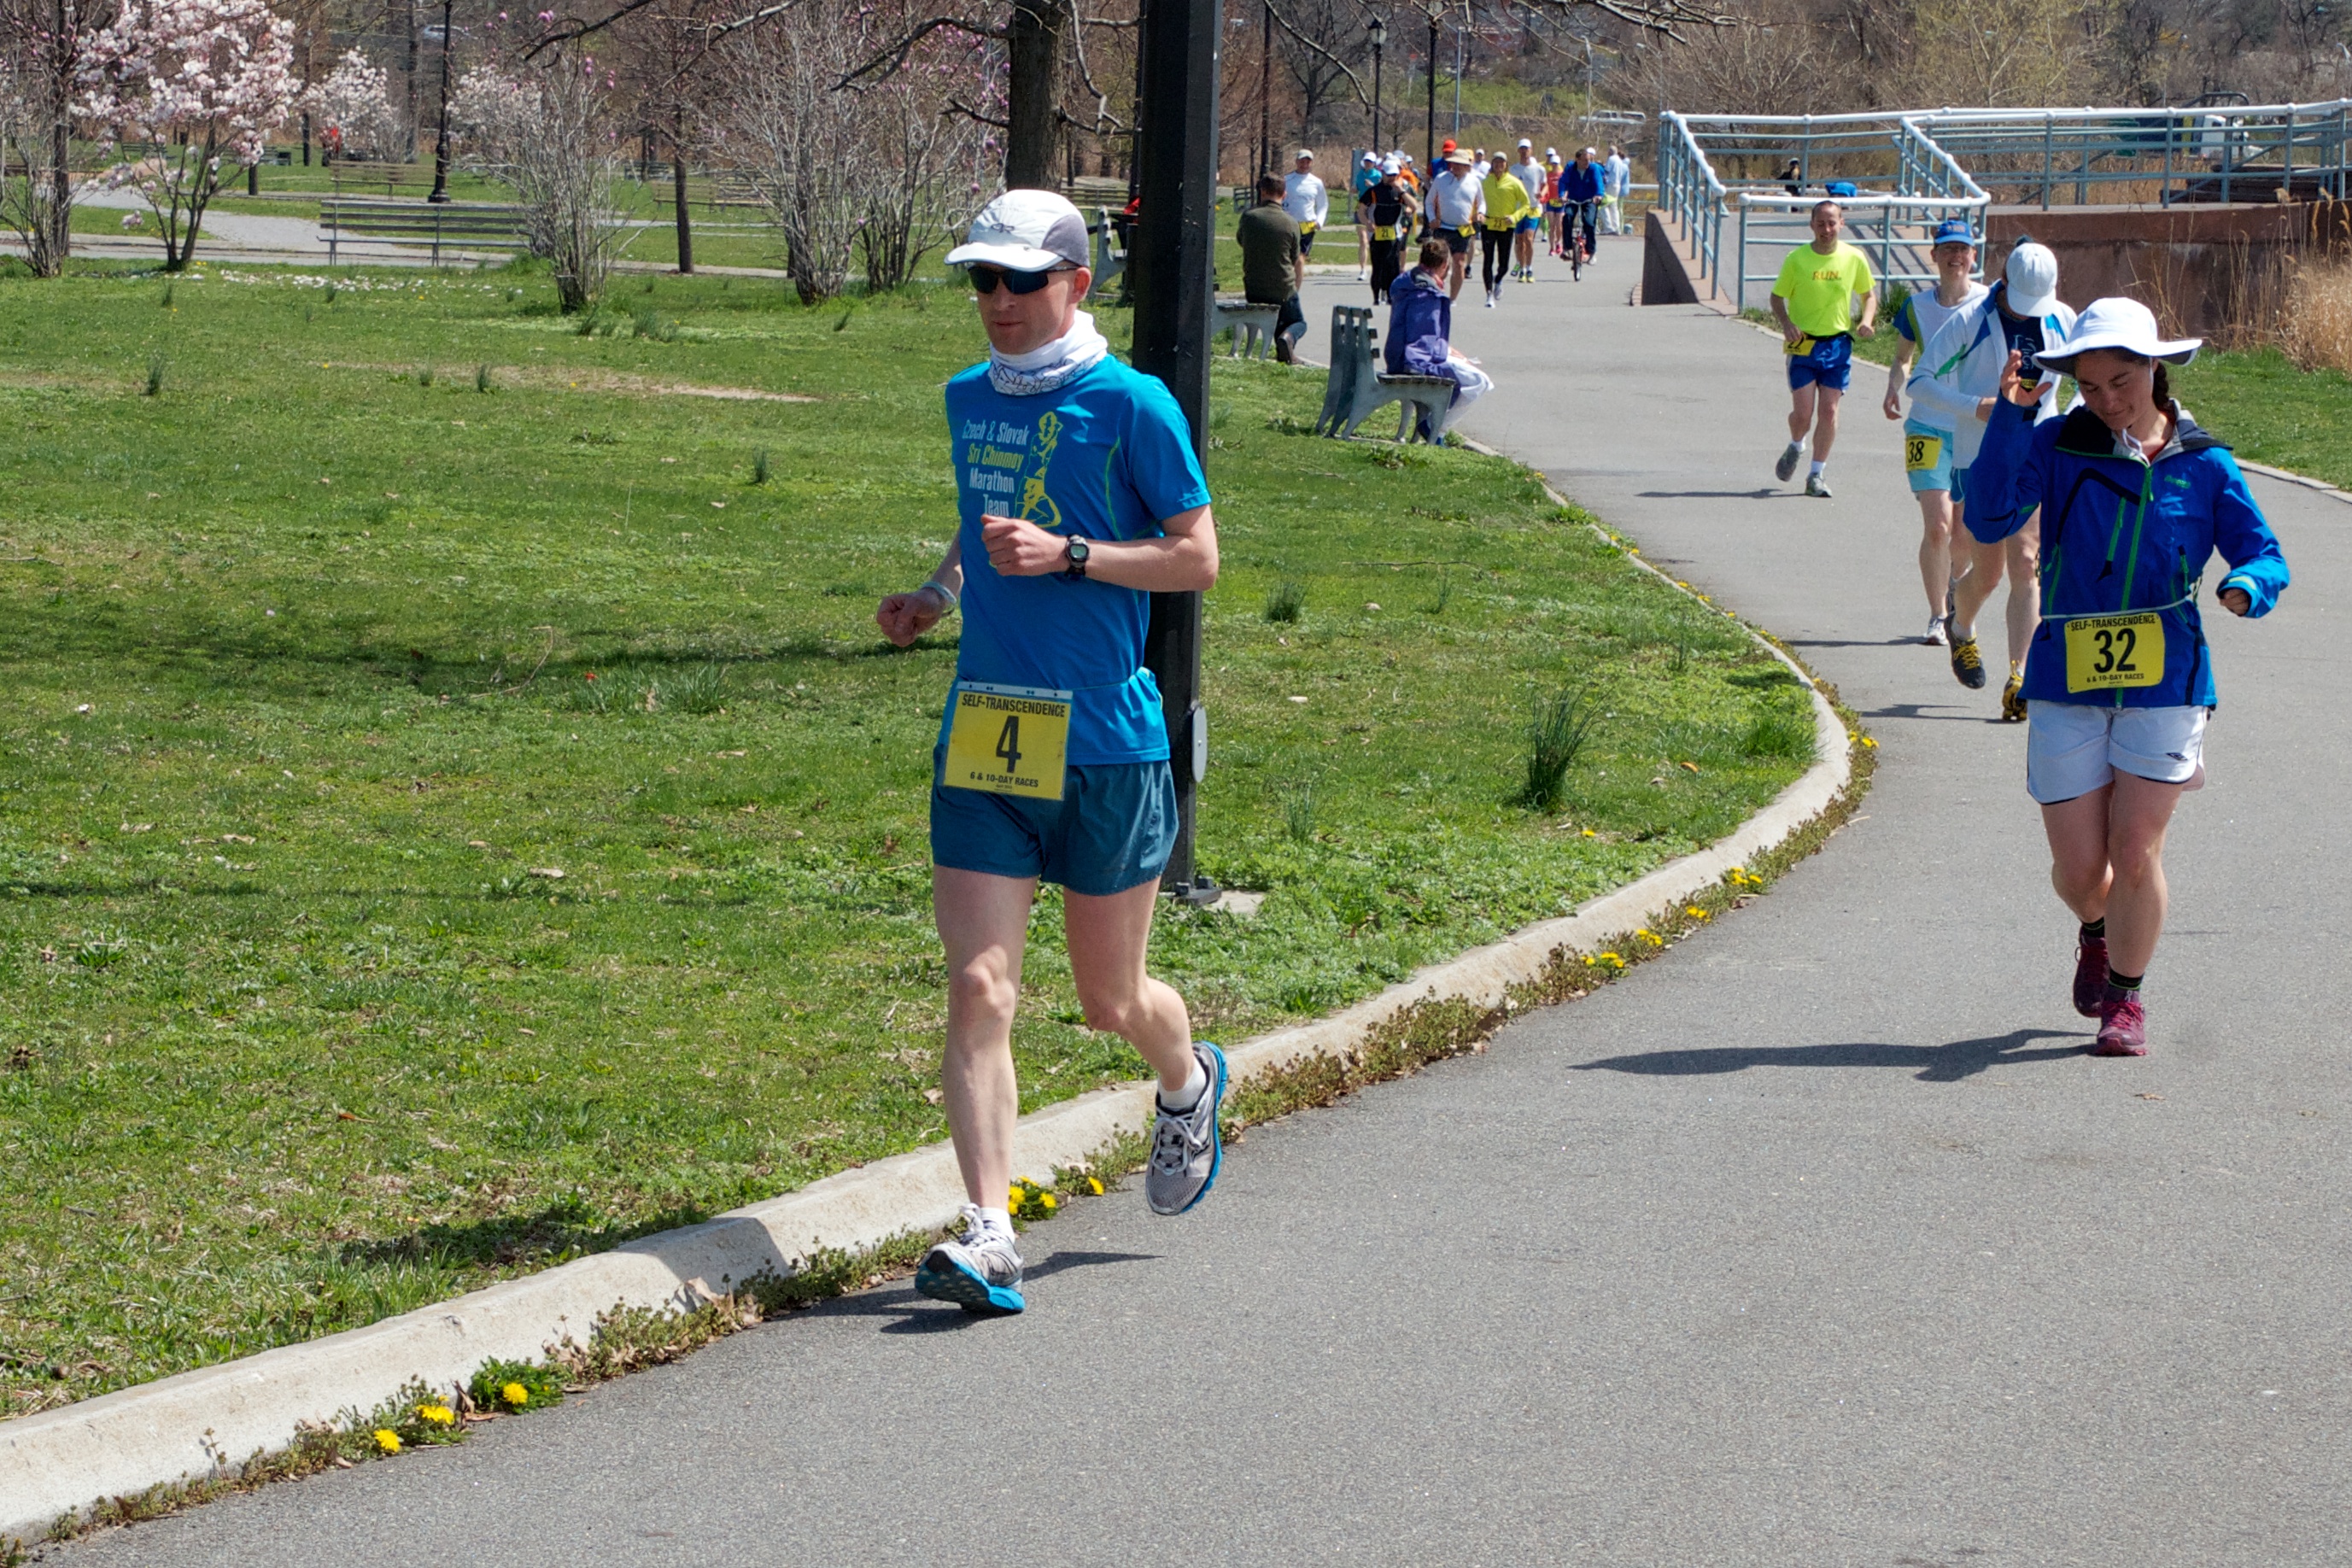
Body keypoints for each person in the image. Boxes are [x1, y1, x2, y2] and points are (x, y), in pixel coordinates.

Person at [875, 190, 1227, 1315]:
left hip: (1106, 740)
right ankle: (989, 1232)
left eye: (1022, 280)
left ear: (1077, 283)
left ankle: (1187, 1080)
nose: (998, 301)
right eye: (982, 279)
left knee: (1109, 1001)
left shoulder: (1134, 405)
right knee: (979, 986)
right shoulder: (967, 398)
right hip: (986, 728)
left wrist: (1071, 554)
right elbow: (987, 511)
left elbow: (1196, 559)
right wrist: (939, 592)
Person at [1961, 296, 2288, 1057]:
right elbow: (1988, 518)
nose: (2107, 400)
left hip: (2168, 681)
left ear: (2155, 371)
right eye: (2089, 385)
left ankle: (2127, 998)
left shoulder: (2205, 462)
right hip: (2068, 679)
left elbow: (2263, 552)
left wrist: (2249, 585)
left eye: (2121, 381)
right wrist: (2011, 416)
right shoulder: (2055, 445)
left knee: (2135, 848)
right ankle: (2096, 928)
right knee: (2081, 871)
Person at [1909, 241, 2077, 717]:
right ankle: (1960, 625)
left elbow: (2089, 378)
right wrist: (1976, 406)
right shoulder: (1970, 319)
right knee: (1988, 574)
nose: (2029, 312)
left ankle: (2020, 679)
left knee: (2025, 562)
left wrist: (2073, 419)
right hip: (1978, 457)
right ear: (2004, 280)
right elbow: (1919, 382)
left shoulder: (2063, 318)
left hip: (2035, 454)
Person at [1881, 218, 1989, 647]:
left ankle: (1957, 593)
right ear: (1935, 256)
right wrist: (1893, 386)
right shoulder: (1916, 307)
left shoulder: (1989, 303)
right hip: (1926, 425)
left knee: (1963, 534)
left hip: (1970, 427)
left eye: (1962, 250)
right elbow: (1902, 358)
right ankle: (1937, 615)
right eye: (1947, 250)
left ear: (1973, 256)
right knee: (1938, 527)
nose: (1955, 257)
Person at [1769, 199, 1877, 497]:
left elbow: (1869, 295)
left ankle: (1816, 474)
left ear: (1842, 223)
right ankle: (1796, 444)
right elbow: (1776, 298)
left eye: (1832, 223)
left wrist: (1866, 321)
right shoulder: (1797, 259)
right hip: (1803, 344)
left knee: (1829, 411)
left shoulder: (1854, 257)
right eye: (1820, 224)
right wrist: (1786, 324)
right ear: (1811, 225)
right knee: (1803, 415)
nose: (1826, 230)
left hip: (1838, 344)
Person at [1386, 233, 1495, 432]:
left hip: (1398, 354)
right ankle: (1435, 429)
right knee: (1479, 381)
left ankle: (1435, 426)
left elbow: (1423, 333)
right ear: (1445, 265)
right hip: (1413, 362)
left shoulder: (1407, 282)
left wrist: (1449, 350)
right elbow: (1420, 341)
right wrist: (1444, 353)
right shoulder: (1427, 295)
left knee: (1468, 371)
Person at [1237, 173, 1307, 362]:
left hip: (1254, 288)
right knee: (1298, 322)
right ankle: (1287, 339)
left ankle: (1284, 350)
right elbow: (1294, 257)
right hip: (1282, 288)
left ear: (1262, 192)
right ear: (1284, 194)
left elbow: (1241, 241)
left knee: (1279, 315)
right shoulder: (1291, 223)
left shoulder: (1249, 217)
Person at [1355, 155, 1419, 303]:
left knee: (1393, 266)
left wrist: (1401, 191)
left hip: (1394, 233)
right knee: (1378, 265)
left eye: (1394, 175)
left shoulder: (1400, 191)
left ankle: (1391, 295)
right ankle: (1376, 296)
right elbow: (1361, 211)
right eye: (1389, 175)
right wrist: (1367, 222)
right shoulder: (1373, 191)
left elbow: (1414, 206)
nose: (1391, 178)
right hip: (1377, 233)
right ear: (1383, 174)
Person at [1426, 147, 1484, 300]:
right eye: (1454, 163)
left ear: (1467, 166)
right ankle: (1437, 293)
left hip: (1463, 229)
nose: (1456, 167)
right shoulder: (1441, 179)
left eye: (1460, 164)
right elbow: (1429, 201)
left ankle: (1452, 299)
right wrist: (1432, 219)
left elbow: (1482, 202)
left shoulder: (1474, 181)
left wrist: (1480, 213)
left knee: (1459, 263)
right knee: (1441, 264)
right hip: (1443, 227)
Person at [1477, 150, 1534, 307]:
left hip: (1506, 226)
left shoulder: (1514, 182)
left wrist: (1514, 217)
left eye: (1501, 162)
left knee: (1504, 264)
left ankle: (1498, 280)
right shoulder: (1485, 182)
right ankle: (1489, 294)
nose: (1498, 165)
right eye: (1496, 162)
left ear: (1506, 165)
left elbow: (1526, 204)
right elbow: (1477, 200)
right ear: (1492, 164)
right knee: (1488, 260)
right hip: (1488, 225)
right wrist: (1479, 214)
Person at [1554, 147, 1605, 267]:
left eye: (1589, 160)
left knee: (1589, 222)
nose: (1587, 162)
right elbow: (1563, 182)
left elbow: (1598, 183)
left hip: (1589, 199)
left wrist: (1598, 195)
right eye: (1585, 160)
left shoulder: (1593, 168)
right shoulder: (1570, 167)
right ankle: (1567, 248)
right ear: (1577, 160)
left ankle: (1591, 252)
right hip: (1573, 198)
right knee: (1567, 218)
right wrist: (1562, 195)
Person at [1509, 138, 1547, 282]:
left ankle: (1529, 268)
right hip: (1518, 209)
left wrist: (1542, 193)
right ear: (1518, 150)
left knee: (1529, 239)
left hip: (1533, 208)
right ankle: (1521, 268)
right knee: (1519, 240)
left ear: (1531, 150)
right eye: (1522, 149)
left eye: (1527, 149)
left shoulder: (1539, 169)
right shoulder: (1513, 170)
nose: (1525, 151)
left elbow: (1545, 185)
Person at [1282, 149, 1328, 262]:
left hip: (1307, 224)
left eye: (1308, 162)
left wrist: (1319, 221)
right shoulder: (1286, 180)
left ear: (1311, 163)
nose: (1304, 165)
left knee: (1301, 256)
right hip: (1289, 223)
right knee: (1287, 255)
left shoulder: (1316, 182)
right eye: (1302, 162)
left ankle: (1298, 274)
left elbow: (1323, 204)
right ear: (1296, 162)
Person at [1351, 150, 1380, 281]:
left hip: (1374, 208)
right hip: (1361, 207)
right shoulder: (1360, 174)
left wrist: (1372, 186)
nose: (1368, 164)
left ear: (1374, 163)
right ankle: (1363, 269)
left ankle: (1376, 267)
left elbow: (1381, 191)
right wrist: (1354, 189)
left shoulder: (1378, 175)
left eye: (1370, 162)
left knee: (1374, 240)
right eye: (1366, 161)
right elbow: (1356, 187)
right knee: (1363, 240)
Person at [1541, 148, 1565, 256]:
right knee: (1552, 226)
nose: (1554, 165)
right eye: (1553, 164)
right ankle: (1552, 248)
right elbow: (1544, 187)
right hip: (1550, 202)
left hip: (1560, 202)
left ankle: (1558, 242)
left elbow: (1567, 188)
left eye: (1556, 164)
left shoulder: (1563, 175)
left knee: (1559, 224)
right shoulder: (1548, 175)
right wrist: (1543, 198)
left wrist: (1565, 196)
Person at [1603, 143, 1632, 235]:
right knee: (1614, 206)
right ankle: (1617, 228)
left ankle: (1608, 227)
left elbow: (1606, 171)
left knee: (1603, 205)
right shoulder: (1620, 161)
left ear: (1610, 152)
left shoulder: (1611, 159)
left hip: (1610, 184)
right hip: (1618, 185)